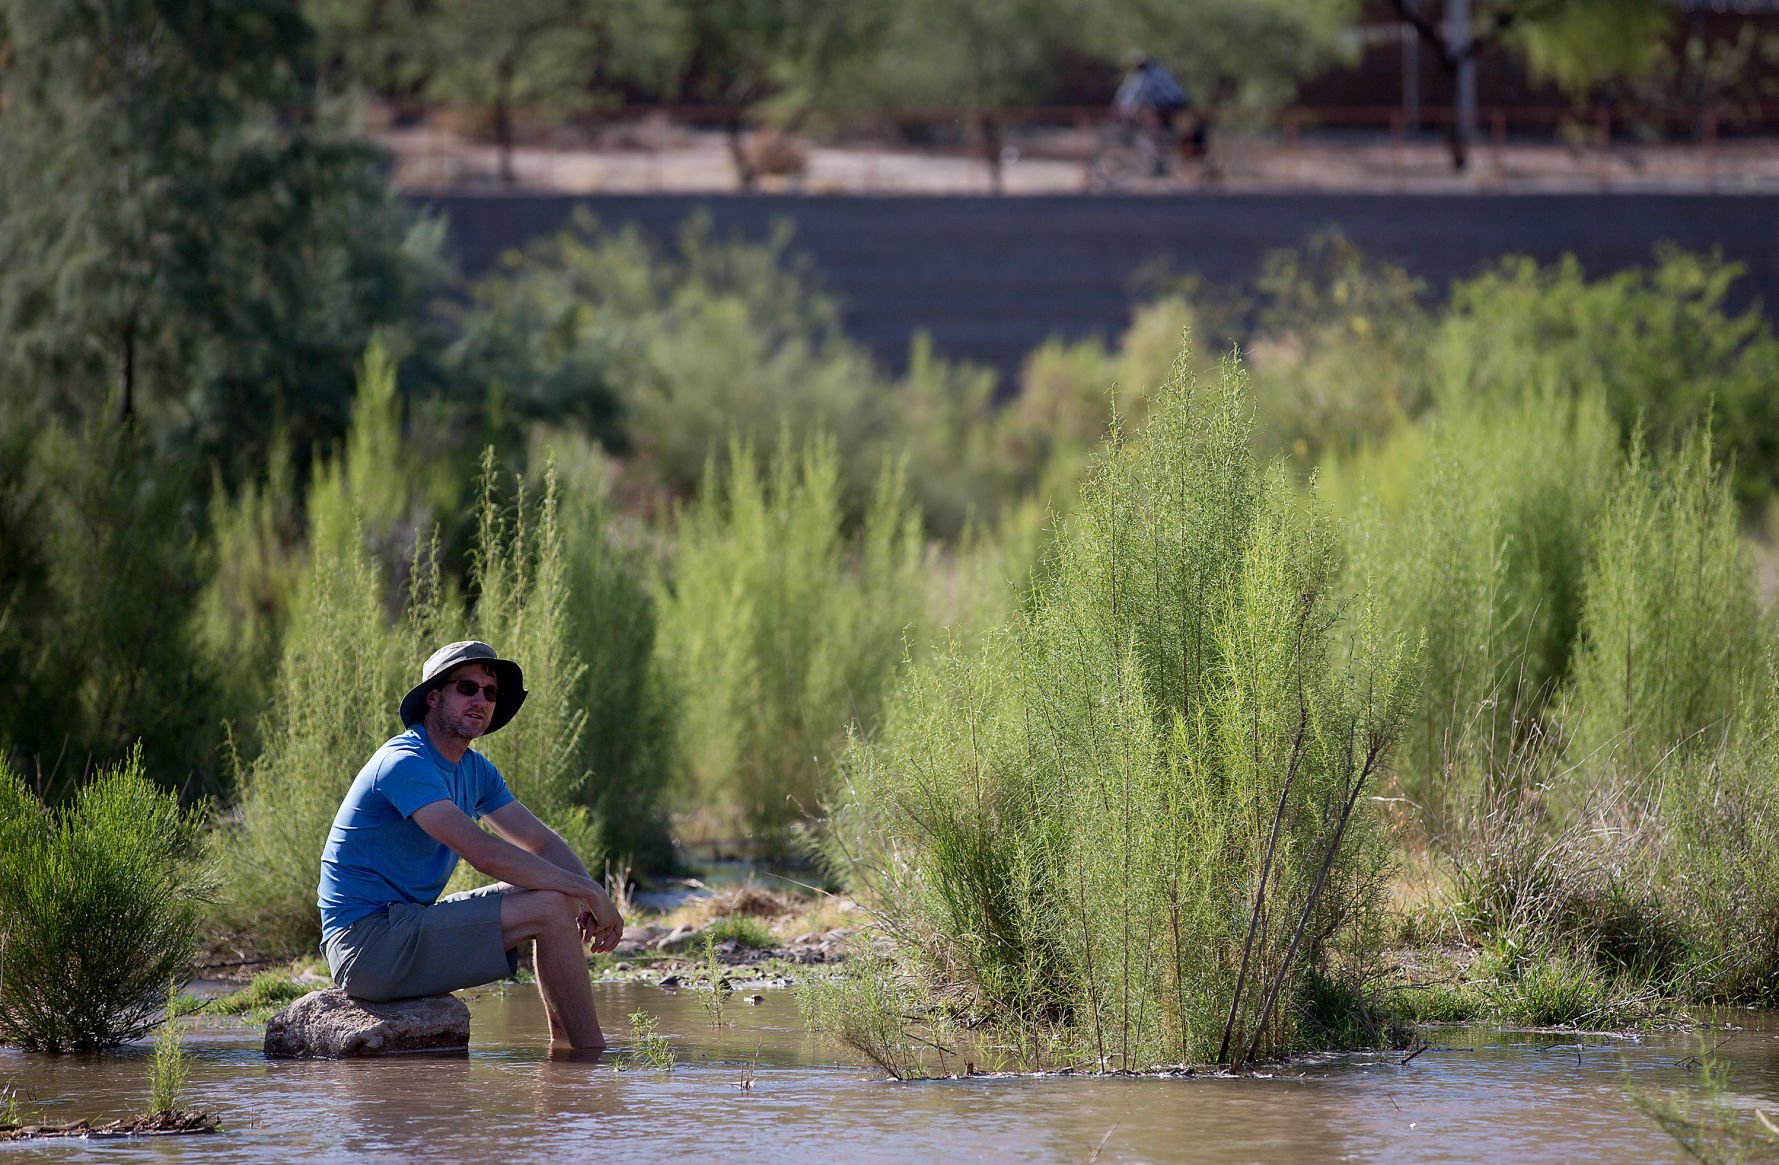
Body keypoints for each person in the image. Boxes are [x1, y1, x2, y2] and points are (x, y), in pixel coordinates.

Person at [317, 640, 624, 1050]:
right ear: (433, 697)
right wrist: (586, 890)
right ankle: (592, 1060)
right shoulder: (404, 762)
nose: (480, 699)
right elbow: (484, 852)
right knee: (552, 905)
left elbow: (540, 842)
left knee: (557, 896)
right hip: (367, 945)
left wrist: (591, 897)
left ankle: (568, 1057)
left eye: (490, 692)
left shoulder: (475, 769)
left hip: (406, 923)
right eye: (466, 687)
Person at [1112, 55, 1204, 176]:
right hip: (1173, 104)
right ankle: (1161, 150)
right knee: (1153, 120)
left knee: (1151, 121)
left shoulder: (1150, 74)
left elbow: (1138, 93)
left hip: (1173, 104)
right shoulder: (1155, 71)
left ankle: (1160, 152)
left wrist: (1125, 108)